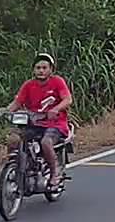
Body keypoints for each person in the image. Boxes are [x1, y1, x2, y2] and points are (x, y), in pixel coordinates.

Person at [6, 52, 73, 189]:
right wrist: (6, 112)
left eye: (44, 68)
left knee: (46, 142)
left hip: (55, 124)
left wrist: (56, 109)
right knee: (13, 139)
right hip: (34, 123)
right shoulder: (28, 85)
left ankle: (55, 174)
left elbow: (67, 99)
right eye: (38, 68)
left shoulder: (57, 82)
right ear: (33, 70)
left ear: (51, 69)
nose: (41, 71)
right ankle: (15, 167)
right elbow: (17, 102)